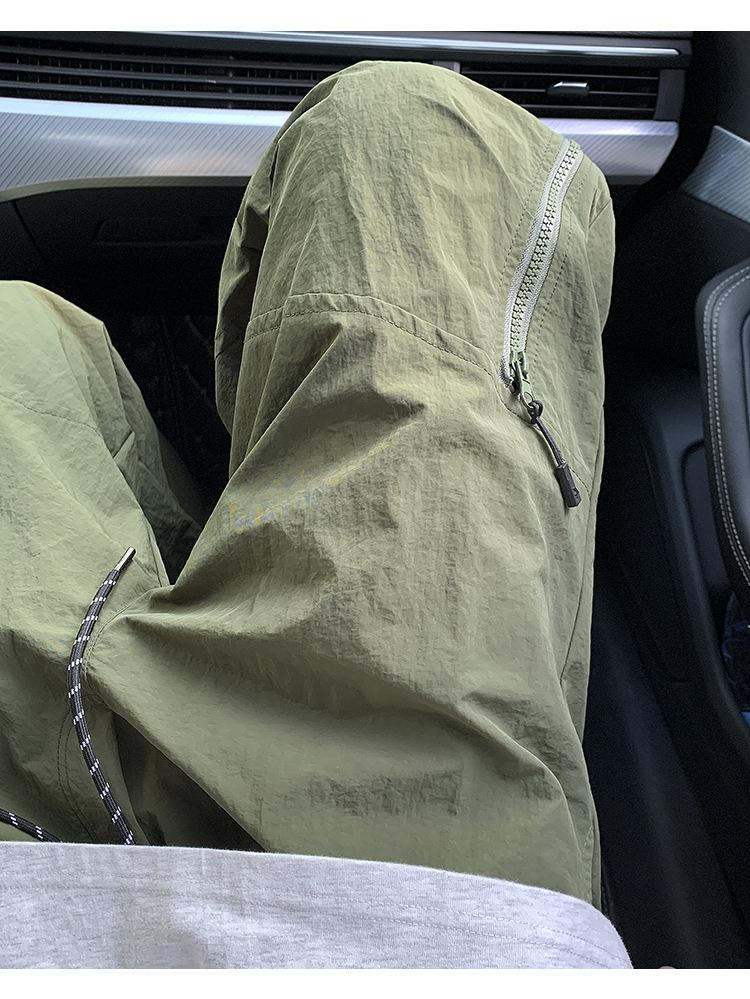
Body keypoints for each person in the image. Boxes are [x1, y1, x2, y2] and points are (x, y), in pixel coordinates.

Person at [0, 61, 621, 966]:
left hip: (47, 872)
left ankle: (212, 595)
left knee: (19, 332)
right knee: (402, 118)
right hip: (446, 907)